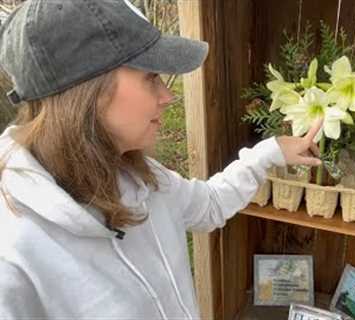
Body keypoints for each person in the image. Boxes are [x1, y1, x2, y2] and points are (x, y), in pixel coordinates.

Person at [0, 0, 323, 318]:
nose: (168, 96)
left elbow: (208, 204)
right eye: (151, 77)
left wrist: (268, 153)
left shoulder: (138, 175)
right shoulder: (14, 255)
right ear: (89, 91)